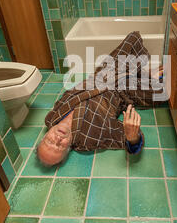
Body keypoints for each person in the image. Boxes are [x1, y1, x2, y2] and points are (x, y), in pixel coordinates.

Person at [36, 31, 165, 167]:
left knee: (133, 38)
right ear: (68, 149)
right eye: (60, 147)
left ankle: (143, 74)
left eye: (50, 142)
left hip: (104, 73)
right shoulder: (87, 139)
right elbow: (128, 139)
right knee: (165, 90)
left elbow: (71, 93)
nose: (57, 139)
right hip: (123, 92)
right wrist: (133, 139)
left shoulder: (51, 118)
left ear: (44, 137)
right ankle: (144, 76)